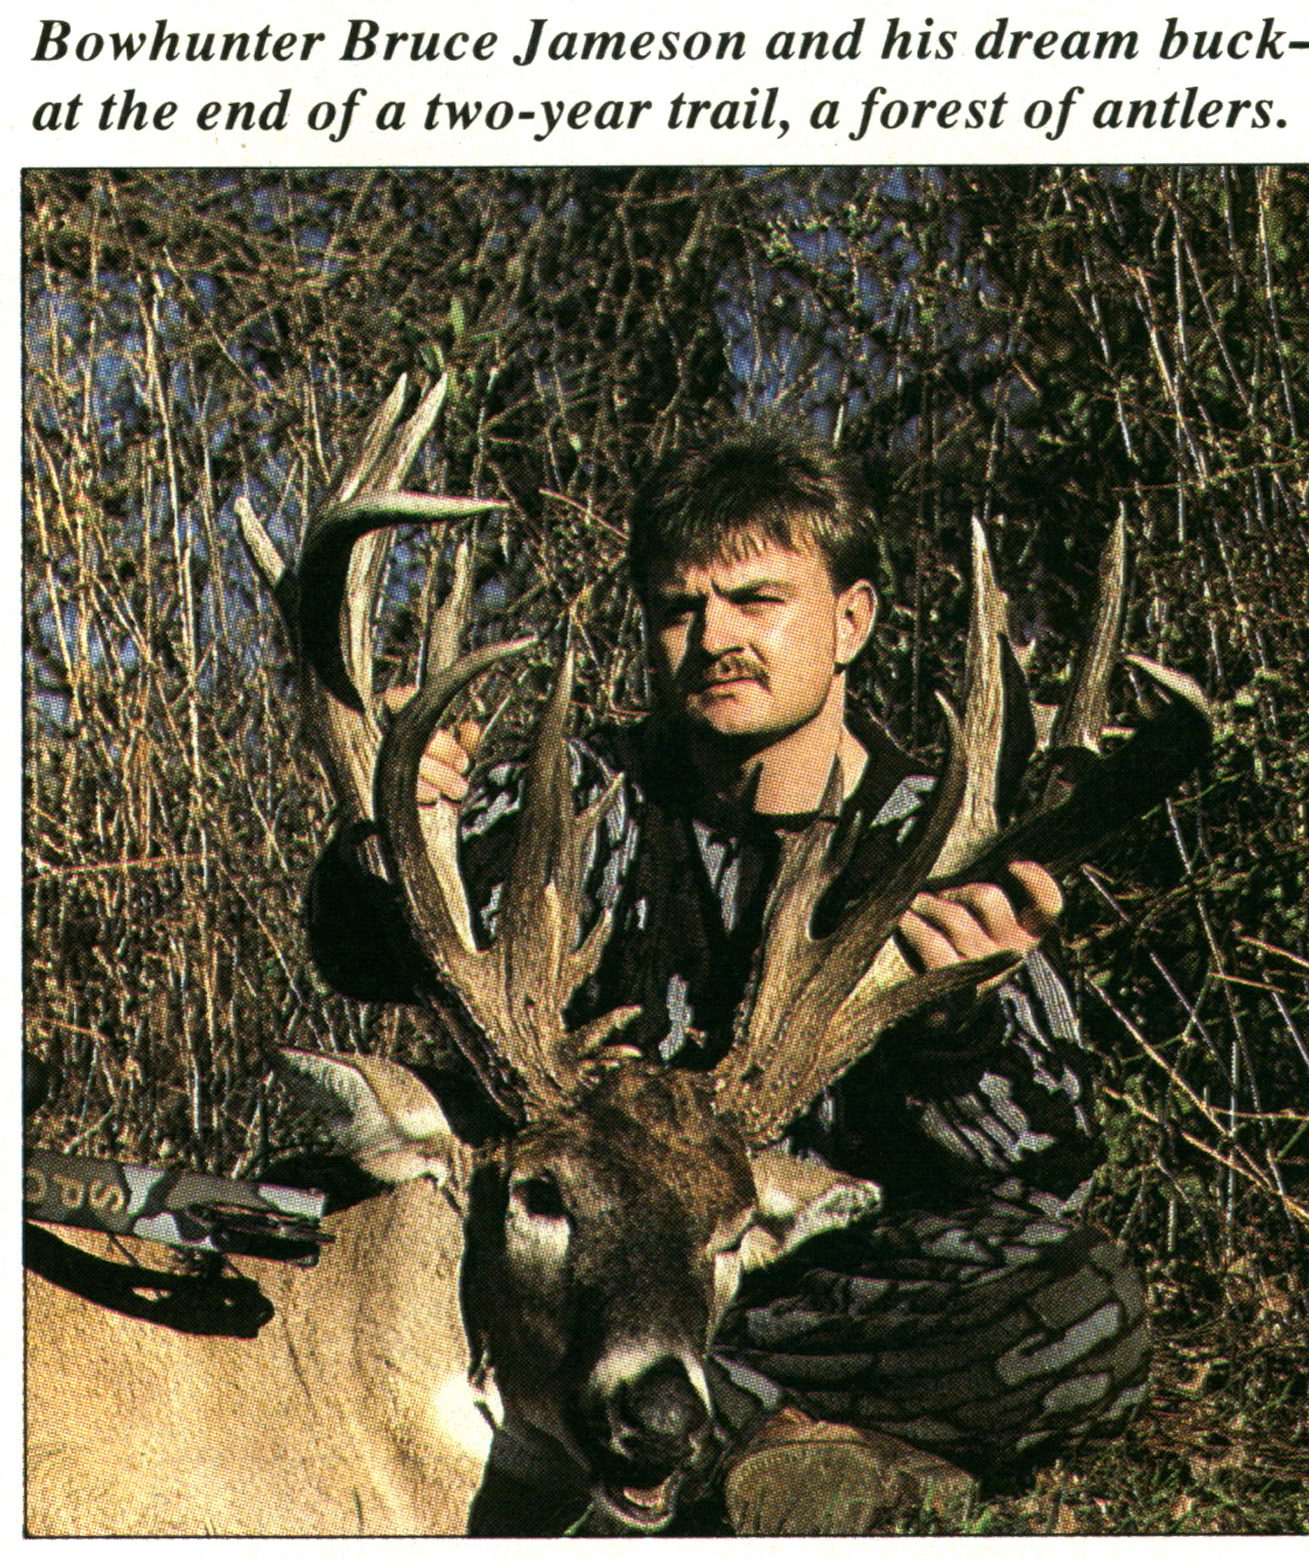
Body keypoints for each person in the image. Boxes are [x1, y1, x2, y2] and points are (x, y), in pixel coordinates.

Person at [308, 422, 1150, 1535]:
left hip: (796, 1269)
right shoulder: (580, 796)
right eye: (677, 608)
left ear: (851, 620)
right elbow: (365, 957)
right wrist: (399, 832)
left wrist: (961, 1026)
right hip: (576, 1248)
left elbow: (1046, 1164)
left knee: (1079, 1302)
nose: (714, 640)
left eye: (758, 601)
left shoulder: (932, 843)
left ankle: (656, 1422)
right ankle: (753, 1449)